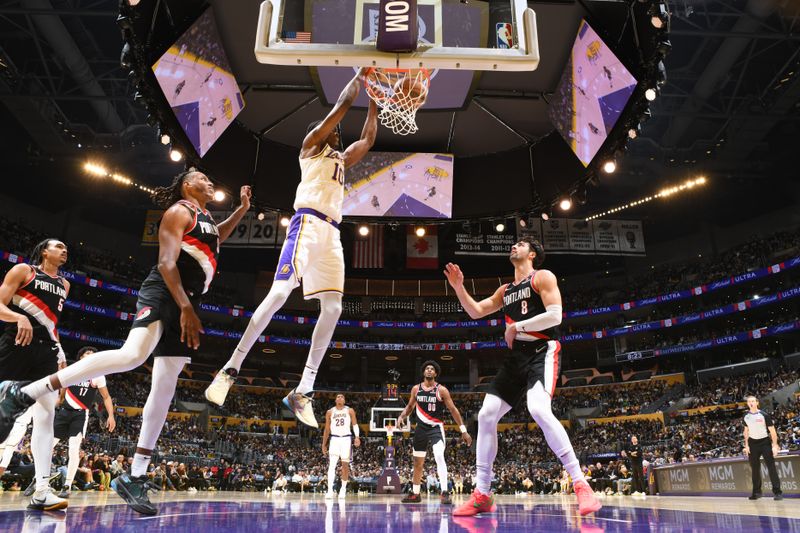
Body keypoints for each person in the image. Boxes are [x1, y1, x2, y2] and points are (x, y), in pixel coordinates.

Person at [0, 170, 251, 515]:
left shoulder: (205, 218)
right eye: (203, 178)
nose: (211, 182)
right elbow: (166, 262)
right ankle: (26, 392)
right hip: (167, 290)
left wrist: (240, 210)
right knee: (132, 355)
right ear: (187, 185)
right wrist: (185, 306)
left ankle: (136, 476)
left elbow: (214, 241)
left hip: (189, 297)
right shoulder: (180, 211)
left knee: (166, 385)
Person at [204, 68, 379, 429]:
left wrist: (376, 100)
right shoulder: (311, 147)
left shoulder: (341, 161)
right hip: (307, 225)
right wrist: (362, 76)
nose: (337, 130)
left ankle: (304, 389)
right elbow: (343, 105)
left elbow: (368, 139)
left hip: (332, 235)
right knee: (281, 292)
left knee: (333, 308)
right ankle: (230, 368)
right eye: (332, 127)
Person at [445, 238, 601, 517]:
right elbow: (475, 311)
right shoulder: (505, 290)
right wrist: (459, 288)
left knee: (538, 409)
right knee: (486, 415)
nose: (513, 246)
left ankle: (580, 484)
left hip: (543, 350)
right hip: (517, 357)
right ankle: (482, 493)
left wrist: (517, 326)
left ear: (532, 254)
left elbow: (555, 316)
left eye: (520, 244)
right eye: (513, 244)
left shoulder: (542, 276)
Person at [0, 238, 70, 511]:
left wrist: (61, 355)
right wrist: (19, 317)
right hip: (16, 343)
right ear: (44, 251)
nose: (64, 251)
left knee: (46, 415)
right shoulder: (24, 272)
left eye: (66, 249)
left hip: (47, 353)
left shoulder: (65, 285)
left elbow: (53, 323)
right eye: (59, 246)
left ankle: (42, 489)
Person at [397, 361, 472, 505]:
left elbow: (453, 410)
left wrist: (463, 430)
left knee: (438, 455)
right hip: (420, 428)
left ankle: (444, 492)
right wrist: (401, 416)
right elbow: (410, 407)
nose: (429, 370)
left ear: (435, 373)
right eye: (427, 368)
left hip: (436, 428)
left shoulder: (441, 390)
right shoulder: (416, 389)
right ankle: (416, 493)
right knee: (417, 462)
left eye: (432, 369)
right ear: (423, 372)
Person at [52, 346, 116, 498]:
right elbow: (62, 387)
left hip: (80, 415)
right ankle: (40, 479)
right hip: (64, 412)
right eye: (88, 353)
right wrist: (58, 400)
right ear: (81, 356)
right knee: (47, 446)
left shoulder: (97, 375)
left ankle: (67, 485)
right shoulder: (72, 369)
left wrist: (111, 415)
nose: (91, 355)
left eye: (93, 354)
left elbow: (106, 397)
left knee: (73, 449)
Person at [743, 395, 783, 500]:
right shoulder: (745, 416)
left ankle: (777, 492)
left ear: (757, 402)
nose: (751, 403)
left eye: (753, 401)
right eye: (749, 401)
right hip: (752, 444)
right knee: (755, 469)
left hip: (765, 442)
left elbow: (773, 431)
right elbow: (746, 431)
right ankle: (756, 492)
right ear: (747, 404)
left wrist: (775, 445)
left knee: (771, 468)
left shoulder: (764, 415)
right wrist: (746, 445)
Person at [321, 393, 361, 499]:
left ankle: (343, 489)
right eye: (338, 396)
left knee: (345, 466)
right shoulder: (330, 412)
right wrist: (324, 444)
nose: (339, 397)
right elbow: (326, 429)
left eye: (342, 397)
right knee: (332, 465)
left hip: (346, 439)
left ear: (344, 400)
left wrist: (357, 437)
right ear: (335, 400)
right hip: (334, 439)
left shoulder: (350, 410)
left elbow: (355, 425)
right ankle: (329, 490)